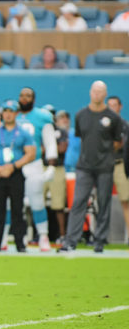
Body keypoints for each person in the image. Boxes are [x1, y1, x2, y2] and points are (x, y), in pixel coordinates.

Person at [59, 82, 123, 253]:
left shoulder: (113, 118)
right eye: (94, 91)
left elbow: (118, 141)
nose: (97, 94)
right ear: (90, 93)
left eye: (100, 92)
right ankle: (71, 240)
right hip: (84, 167)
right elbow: (81, 137)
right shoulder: (81, 115)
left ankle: (100, 240)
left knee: (104, 203)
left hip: (105, 167)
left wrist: (106, 154)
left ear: (105, 94)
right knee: (78, 202)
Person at [1, 87, 58, 251]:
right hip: (12, 165)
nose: (24, 98)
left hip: (33, 164)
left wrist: (51, 165)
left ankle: (43, 236)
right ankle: (4, 236)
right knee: (9, 203)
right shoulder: (12, 115)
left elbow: (49, 142)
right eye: (22, 95)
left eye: (28, 96)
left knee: (37, 201)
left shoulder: (42, 117)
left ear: (33, 98)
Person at [0, 100, 36, 252]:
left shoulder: (23, 133)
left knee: (17, 210)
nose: (8, 114)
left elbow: (31, 153)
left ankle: (20, 243)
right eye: (5, 111)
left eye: (11, 111)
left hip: (15, 174)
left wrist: (13, 166)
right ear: (1, 114)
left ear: (16, 113)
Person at [43, 108, 69, 245]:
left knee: (58, 204)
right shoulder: (41, 130)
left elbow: (62, 148)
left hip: (58, 168)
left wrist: (48, 147)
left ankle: (62, 234)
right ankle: (39, 234)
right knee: (37, 203)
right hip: (42, 167)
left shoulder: (61, 131)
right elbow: (38, 148)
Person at [106, 96, 129, 240]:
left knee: (126, 200)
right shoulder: (101, 124)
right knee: (101, 201)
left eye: (114, 105)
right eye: (109, 105)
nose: (112, 108)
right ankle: (100, 236)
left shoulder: (125, 125)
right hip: (104, 165)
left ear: (120, 107)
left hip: (120, 164)